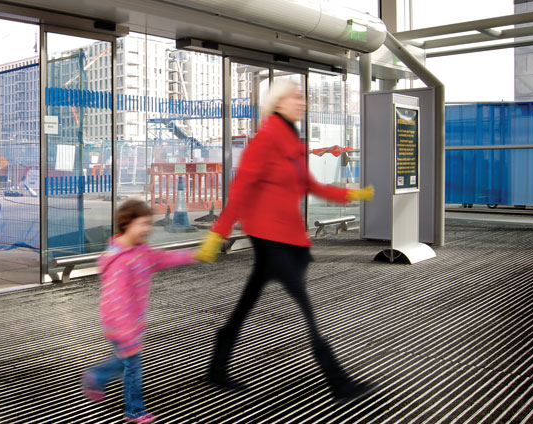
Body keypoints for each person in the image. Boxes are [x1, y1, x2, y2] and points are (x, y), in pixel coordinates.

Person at [196, 80, 377, 402]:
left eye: (302, 97)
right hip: (271, 239)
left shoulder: (292, 142)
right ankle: (339, 381)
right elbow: (241, 190)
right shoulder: (265, 141)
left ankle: (217, 365)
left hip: (288, 239)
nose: (302, 102)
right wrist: (217, 233)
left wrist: (350, 194)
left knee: (245, 305)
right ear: (278, 103)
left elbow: (311, 185)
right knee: (307, 310)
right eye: (296, 97)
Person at [82, 199, 201, 423]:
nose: (148, 229)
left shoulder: (140, 250)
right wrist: (126, 331)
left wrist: (193, 255)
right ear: (127, 224)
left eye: (150, 224)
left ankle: (97, 376)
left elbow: (162, 258)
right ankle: (134, 410)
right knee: (133, 367)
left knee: (124, 362)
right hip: (120, 324)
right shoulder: (120, 261)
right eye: (143, 224)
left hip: (132, 323)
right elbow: (115, 299)